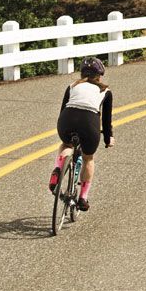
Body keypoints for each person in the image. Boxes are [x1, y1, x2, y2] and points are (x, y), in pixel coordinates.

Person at [49, 57, 114, 210]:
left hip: (66, 120)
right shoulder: (105, 91)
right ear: (99, 75)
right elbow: (106, 119)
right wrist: (107, 139)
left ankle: (58, 170)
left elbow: (62, 110)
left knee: (66, 144)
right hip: (89, 123)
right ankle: (83, 198)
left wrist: (63, 128)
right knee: (88, 158)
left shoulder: (71, 86)